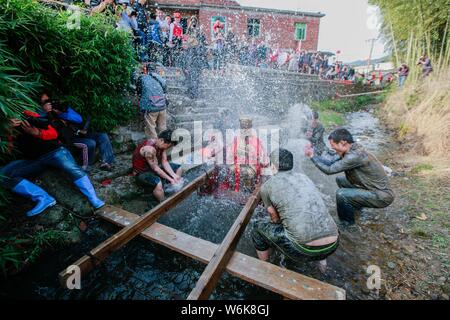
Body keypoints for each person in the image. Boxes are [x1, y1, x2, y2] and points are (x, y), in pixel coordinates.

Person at [252, 149, 339, 273]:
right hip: (333, 244)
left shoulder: (267, 186)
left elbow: (275, 219)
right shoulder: (304, 178)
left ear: (273, 166)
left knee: (257, 228)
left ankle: (264, 269)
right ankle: (322, 266)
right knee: (315, 217)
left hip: (303, 250)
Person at [0, 114, 105, 217]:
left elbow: (53, 133)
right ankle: (43, 198)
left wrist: (36, 132)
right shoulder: (6, 126)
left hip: (54, 152)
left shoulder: (27, 114)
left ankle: (94, 198)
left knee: (71, 169)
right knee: (3, 175)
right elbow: (9, 151)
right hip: (34, 160)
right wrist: (7, 130)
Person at [304, 128, 394, 226]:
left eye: (333, 146)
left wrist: (312, 156)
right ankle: (355, 205)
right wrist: (314, 152)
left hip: (381, 196)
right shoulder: (351, 149)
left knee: (341, 194)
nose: (333, 149)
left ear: (343, 142)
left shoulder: (354, 156)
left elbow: (329, 170)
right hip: (370, 187)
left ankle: (347, 225)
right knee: (341, 180)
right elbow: (330, 162)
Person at [40, 93, 115, 171]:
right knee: (90, 143)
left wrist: (61, 114)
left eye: (48, 101)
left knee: (102, 135)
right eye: (44, 102)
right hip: (67, 139)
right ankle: (85, 166)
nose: (47, 103)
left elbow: (79, 119)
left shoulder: (60, 107)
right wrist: (47, 112)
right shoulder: (41, 113)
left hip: (78, 134)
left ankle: (106, 163)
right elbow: (45, 125)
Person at [132, 130, 182, 202]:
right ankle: (162, 203)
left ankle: (174, 189)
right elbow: (156, 169)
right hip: (142, 173)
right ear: (161, 140)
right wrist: (171, 179)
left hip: (152, 168)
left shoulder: (161, 145)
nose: (168, 148)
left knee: (178, 167)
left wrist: (174, 175)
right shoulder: (149, 150)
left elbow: (164, 161)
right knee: (158, 183)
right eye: (168, 146)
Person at [137, 63, 168, 140]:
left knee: (150, 129)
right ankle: (165, 146)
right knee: (162, 128)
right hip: (162, 105)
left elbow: (139, 91)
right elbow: (165, 88)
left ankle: (154, 147)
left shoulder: (142, 78)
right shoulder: (159, 77)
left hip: (151, 106)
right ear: (155, 70)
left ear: (146, 70)